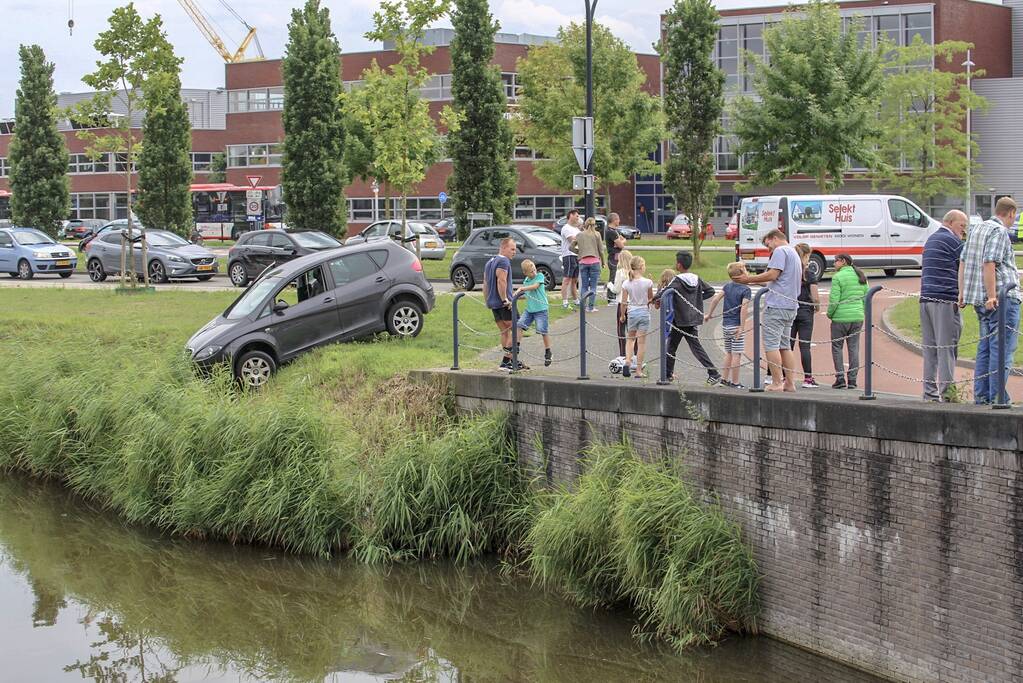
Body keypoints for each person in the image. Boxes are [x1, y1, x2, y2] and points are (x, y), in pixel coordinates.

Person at [958, 196, 1021, 404]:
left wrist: (962, 292)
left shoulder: (977, 229)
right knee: (1001, 348)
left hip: (978, 299)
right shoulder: (999, 231)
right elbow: (989, 263)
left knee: (985, 347)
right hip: (1001, 299)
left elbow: (963, 261)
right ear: (1011, 213)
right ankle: (997, 396)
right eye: (1014, 216)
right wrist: (993, 295)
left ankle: (982, 395)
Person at [733, 229, 802, 392]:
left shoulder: (780, 251)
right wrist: (753, 281)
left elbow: (772, 275)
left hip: (777, 305)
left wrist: (748, 279)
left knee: (771, 344)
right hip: (791, 305)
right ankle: (790, 383)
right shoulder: (794, 253)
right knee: (785, 346)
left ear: (775, 238)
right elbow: (777, 282)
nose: (768, 249)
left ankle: (777, 382)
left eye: (768, 244)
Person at [920, 210, 967, 402]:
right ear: (949, 222)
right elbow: (964, 267)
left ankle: (929, 393)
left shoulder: (931, 240)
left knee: (930, 349)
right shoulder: (954, 242)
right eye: (961, 225)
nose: (964, 230)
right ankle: (948, 394)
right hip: (944, 300)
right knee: (947, 347)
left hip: (925, 299)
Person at [656, 251, 721, 384]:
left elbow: (665, 292)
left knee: (671, 347)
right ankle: (713, 372)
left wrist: (653, 299)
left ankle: (667, 375)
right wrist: (697, 300)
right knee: (695, 347)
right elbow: (710, 291)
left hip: (679, 319)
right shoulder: (696, 278)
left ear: (679, 265)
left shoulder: (678, 280)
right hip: (692, 318)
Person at [482, 237, 526, 371]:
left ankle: (511, 361)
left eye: (515, 249)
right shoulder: (503, 261)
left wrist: (487, 300)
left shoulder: (490, 262)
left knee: (505, 332)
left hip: (493, 303)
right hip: (503, 303)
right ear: (503, 248)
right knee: (517, 329)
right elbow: (501, 281)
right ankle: (507, 361)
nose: (514, 252)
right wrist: (505, 300)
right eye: (512, 249)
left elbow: (485, 283)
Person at [705, 261, 752, 389]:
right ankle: (735, 382)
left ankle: (724, 379)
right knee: (737, 354)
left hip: (726, 325)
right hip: (736, 326)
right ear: (742, 273)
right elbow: (743, 309)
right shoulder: (746, 290)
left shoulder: (727, 286)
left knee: (729, 353)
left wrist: (709, 314)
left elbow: (715, 299)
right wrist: (741, 327)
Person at [827, 254, 868, 389]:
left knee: (837, 347)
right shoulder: (861, 276)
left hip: (840, 318)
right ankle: (852, 380)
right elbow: (865, 297)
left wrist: (830, 314)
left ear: (843, 261)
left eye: (836, 261)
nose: (834, 264)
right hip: (857, 317)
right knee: (854, 347)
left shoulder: (837, 277)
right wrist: (861, 312)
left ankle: (840, 378)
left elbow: (834, 300)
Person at [791, 243, 821, 388]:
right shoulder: (809, 273)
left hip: (791, 309)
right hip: (805, 311)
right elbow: (814, 295)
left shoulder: (790, 272)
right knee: (805, 346)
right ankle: (808, 378)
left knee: (787, 345)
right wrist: (817, 306)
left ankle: (785, 377)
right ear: (806, 256)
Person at [619, 256, 654, 378]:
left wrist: (622, 315)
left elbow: (624, 302)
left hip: (632, 312)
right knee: (641, 343)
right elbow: (651, 300)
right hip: (644, 312)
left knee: (630, 339)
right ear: (641, 267)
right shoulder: (648, 282)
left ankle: (628, 361)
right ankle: (638, 370)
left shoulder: (626, 283)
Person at [513, 260, 553, 367]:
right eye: (531, 272)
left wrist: (521, 288)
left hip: (541, 309)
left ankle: (548, 351)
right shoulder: (526, 280)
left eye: (534, 269)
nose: (534, 272)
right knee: (519, 324)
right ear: (525, 273)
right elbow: (526, 294)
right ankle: (516, 346)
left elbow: (535, 286)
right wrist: (514, 298)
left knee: (542, 330)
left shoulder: (539, 276)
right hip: (530, 310)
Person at [571, 217, 607, 313]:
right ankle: (591, 307)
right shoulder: (597, 234)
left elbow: (571, 247)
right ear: (594, 225)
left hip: (583, 262)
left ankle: (583, 306)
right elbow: (601, 250)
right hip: (595, 261)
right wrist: (603, 262)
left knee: (584, 286)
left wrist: (579, 252)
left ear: (585, 224)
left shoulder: (579, 235)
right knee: (593, 286)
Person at [608, 249, 634, 356]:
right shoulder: (633, 273)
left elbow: (616, 290)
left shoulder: (620, 272)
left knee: (621, 329)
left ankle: (623, 354)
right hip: (632, 304)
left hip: (622, 303)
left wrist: (609, 285)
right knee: (633, 331)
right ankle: (635, 354)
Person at [560, 209, 582, 309]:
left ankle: (576, 300)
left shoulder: (577, 229)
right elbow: (573, 240)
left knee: (574, 280)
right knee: (567, 279)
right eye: (577, 216)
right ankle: (565, 301)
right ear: (571, 216)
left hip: (576, 255)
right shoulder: (566, 228)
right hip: (568, 255)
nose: (578, 218)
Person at [605, 213, 625, 305]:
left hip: (617, 257)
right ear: (614, 220)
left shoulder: (615, 231)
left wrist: (621, 241)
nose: (619, 221)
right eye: (618, 219)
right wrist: (622, 242)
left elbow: (621, 240)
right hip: (613, 257)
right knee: (613, 277)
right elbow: (621, 244)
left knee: (617, 276)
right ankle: (610, 298)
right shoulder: (611, 232)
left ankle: (614, 296)